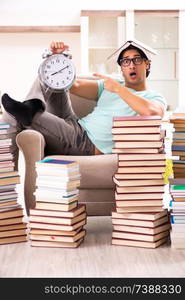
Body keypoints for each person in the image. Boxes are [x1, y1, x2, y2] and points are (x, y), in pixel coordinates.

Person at [1, 40, 167, 156]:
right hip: (74, 123)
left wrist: (118, 89)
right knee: (49, 77)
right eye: (125, 61)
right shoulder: (110, 84)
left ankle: (30, 113)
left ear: (147, 64)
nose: (131, 65)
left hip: (85, 143)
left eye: (137, 60)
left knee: (15, 113)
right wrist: (59, 60)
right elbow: (75, 85)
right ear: (122, 68)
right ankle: (32, 106)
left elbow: (152, 113)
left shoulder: (153, 97)